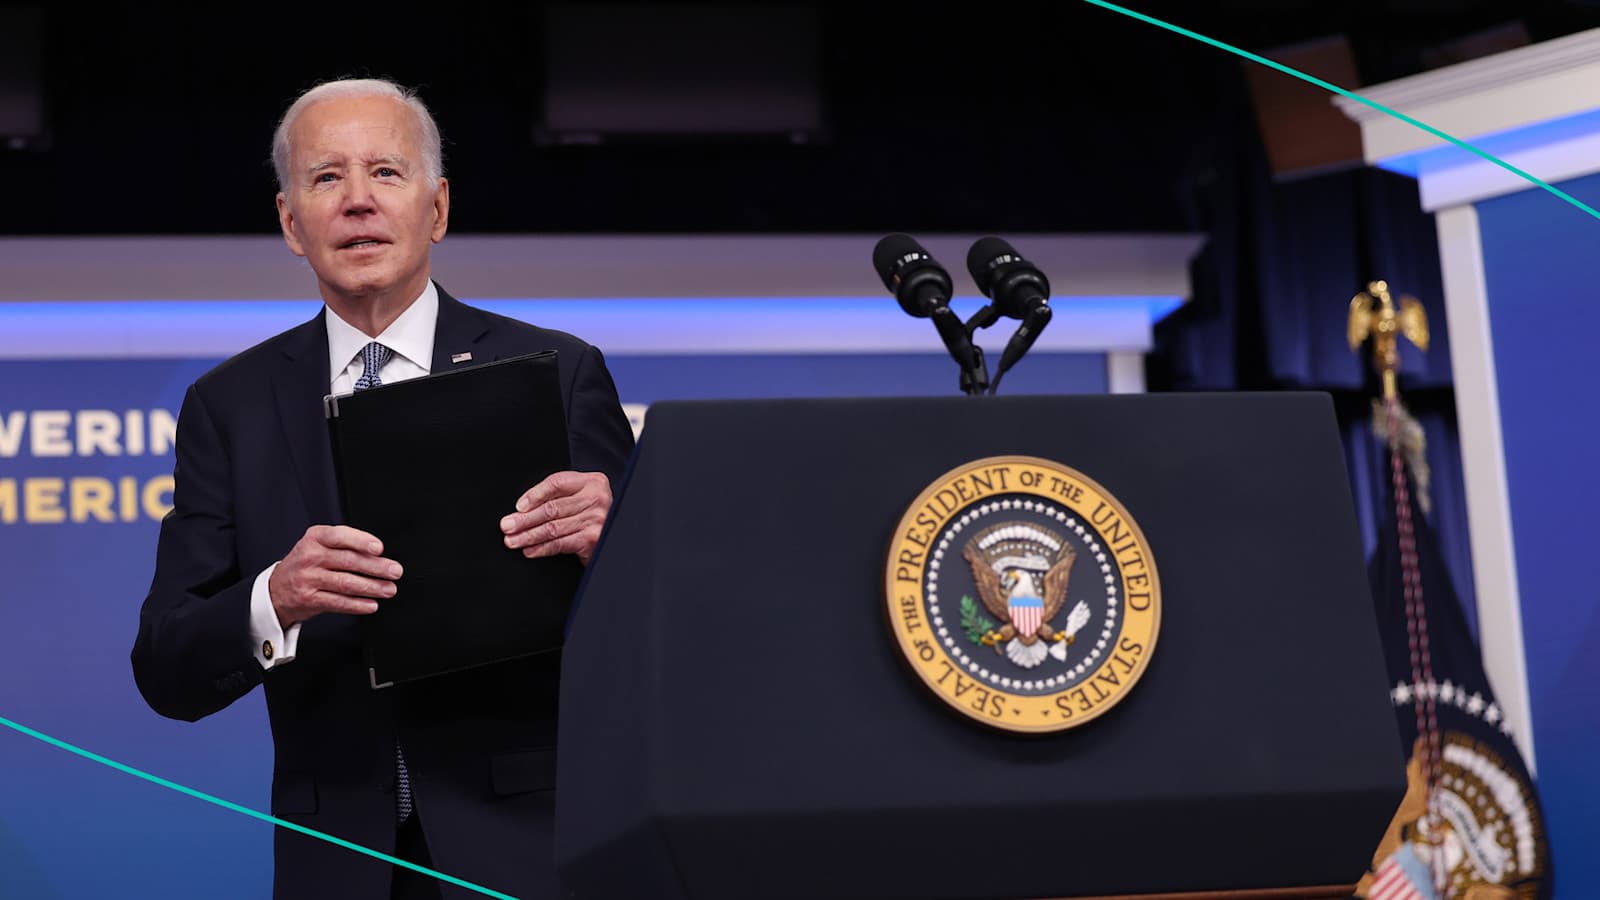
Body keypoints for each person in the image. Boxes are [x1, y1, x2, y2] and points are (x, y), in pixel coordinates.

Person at [130, 77, 635, 900]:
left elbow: (651, 634)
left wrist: (615, 550)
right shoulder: (229, 405)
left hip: (526, 851)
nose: (358, 200)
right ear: (291, 222)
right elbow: (166, 667)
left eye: (387, 172)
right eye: (326, 177)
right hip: (336, 863)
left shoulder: (558, 371)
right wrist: (275, 599)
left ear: (437, 208)